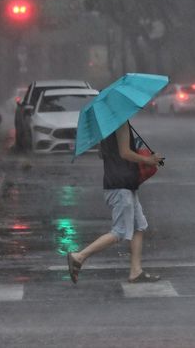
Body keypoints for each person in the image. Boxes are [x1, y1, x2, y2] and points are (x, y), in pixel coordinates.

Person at [66, 121, 164, 284]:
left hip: (122, 184)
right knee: (120, 231)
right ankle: (79, 256)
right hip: (120, 187)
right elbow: (125, 152)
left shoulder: (105, 126)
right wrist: (148, 160)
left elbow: (103, 153)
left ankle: (135, 271)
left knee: (139, 225)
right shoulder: (120, 124)